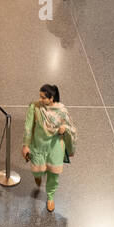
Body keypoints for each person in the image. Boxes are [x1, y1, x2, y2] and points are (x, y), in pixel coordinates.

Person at [23, 84, 74, 213]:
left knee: (54, 175)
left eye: (43, 97)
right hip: (38, 145)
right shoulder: (35, 107)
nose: (40, 100)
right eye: (40, 96)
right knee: (37, 171)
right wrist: (25, 145)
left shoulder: (62, 110)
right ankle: (39, 175)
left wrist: (64, 129)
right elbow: (28, 127)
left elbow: (70, 127)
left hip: (55, 146)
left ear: (51, 98)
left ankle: (50, 197)